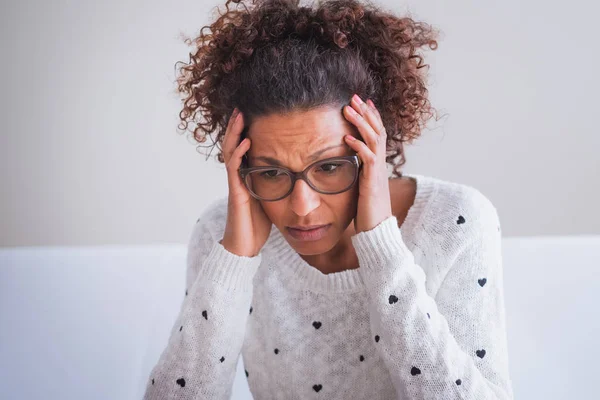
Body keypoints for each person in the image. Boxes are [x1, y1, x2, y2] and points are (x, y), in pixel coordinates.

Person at [143, 0, 514, 398]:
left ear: (373, 146)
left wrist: (382, 248)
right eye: (270, 172)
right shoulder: (222, 232)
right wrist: (233, 261)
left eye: (330, 167)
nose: (302, 206)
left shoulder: (455, 221)